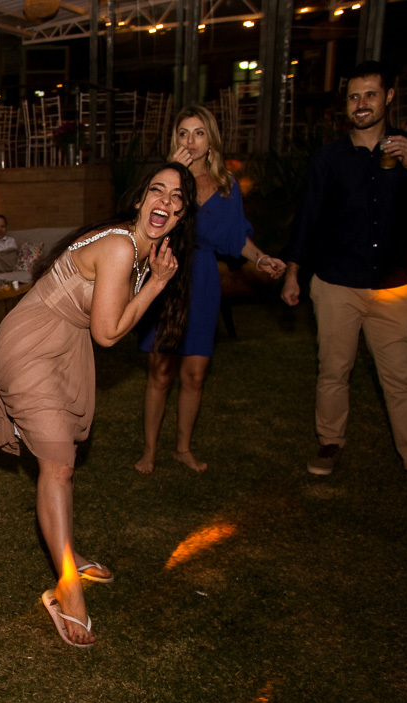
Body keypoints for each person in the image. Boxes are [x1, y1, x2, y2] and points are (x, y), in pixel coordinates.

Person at [0, 163, 197, 647]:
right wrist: (157, 286)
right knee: (58, 465)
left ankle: (67, 558)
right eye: (155, 190)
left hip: (64, 343)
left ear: (182, 214)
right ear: (139, 200)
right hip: (34, 341)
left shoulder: (141, 249)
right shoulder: (122, 246)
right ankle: (66, 590)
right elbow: (109, 332)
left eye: (176, 197)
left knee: (62, 464)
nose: (163, 201)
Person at [281, 61, 407, 503]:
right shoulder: (329, 159)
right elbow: (307, 219)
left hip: (392, 286)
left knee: (401, 378)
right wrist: (293, 271)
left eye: (370, 95)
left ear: (389, 97)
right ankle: (329, 441)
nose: (362, 105)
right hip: (337, 282)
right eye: (354, 97)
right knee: (333, 371)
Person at [134, 105, 286, 474]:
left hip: (202, 279)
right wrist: (169, 175)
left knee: (195, 374)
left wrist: (260, 258)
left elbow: (236, 238)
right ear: (176, 140)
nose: (191, 140)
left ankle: (182, 448)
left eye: (199, 133)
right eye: (184, 133)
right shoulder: (164, 178)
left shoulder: (227, 185)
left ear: (211, 139)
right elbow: (144, 222)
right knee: (160, 371)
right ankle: (149, 451)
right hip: (166, 273)